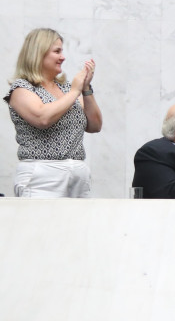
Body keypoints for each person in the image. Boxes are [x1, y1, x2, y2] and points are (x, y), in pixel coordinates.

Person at [4, 28, 102, 197]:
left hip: (77, 172)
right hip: (41, 175)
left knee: (78, 224)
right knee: (41, 223)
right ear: (38, 53)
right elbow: (43, 118)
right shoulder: (21, 88)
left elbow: (95, 125)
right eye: (57, 51)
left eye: (61, 51)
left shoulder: (66, 88)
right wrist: (74, 92)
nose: (63, 57)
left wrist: (85, 88)